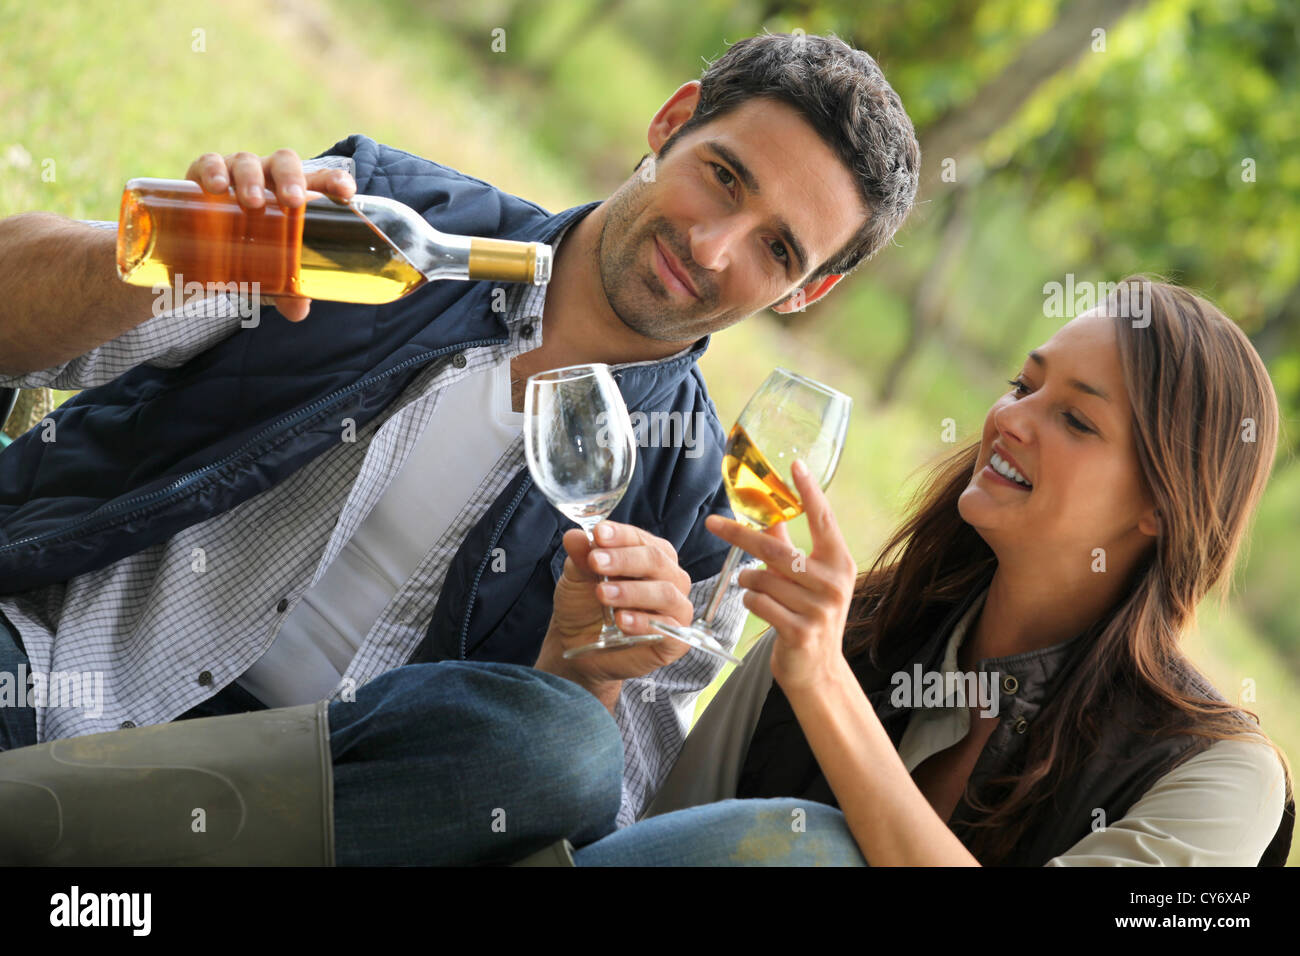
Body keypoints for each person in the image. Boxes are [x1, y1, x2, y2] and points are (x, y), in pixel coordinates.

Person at [2, 279, 1290, 866]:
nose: (1009, 420)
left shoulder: (1218, 773)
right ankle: (53, 839)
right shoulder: (880, 624)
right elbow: (651, 832)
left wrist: (826, 683)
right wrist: (582, 675)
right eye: (1020, 384)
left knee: (808, 847)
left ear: (1169, 500)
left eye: (1076, 419)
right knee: (550, 741)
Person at [0, 32, 921, 826]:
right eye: (723, 178)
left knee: (564, 749)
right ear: (673, 120)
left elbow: (579, 808)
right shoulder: (375, 215)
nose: (714, 249)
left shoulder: (691, 525)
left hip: (296, 821)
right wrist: (176, 249)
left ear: (809, 292)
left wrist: (581, 665)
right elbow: (13, 323)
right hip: (61, 675)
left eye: (776, 249)